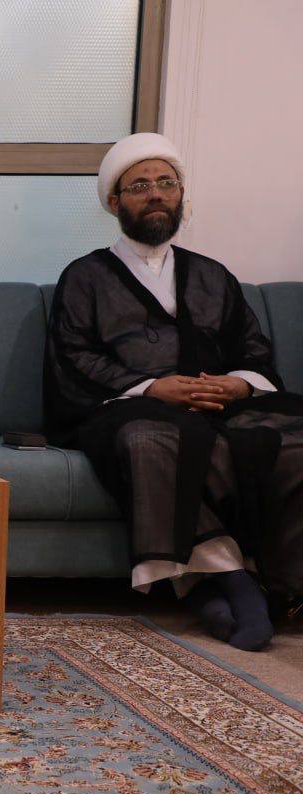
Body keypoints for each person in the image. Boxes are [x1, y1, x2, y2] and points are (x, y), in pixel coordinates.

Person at [45, 132, 303, 651]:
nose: (156, 194)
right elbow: (75, 356)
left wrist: (237, 384)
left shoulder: (212, 275)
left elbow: (253, 352)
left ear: (181, 194)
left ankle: (281, 587)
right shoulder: (85, 276)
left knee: (288, 439)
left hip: (217, 407)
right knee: (151, 439)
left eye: (167, 183)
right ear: (115, 202)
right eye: (140, 186)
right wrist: (151, 387)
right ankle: (229, 581)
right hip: (129, 407)